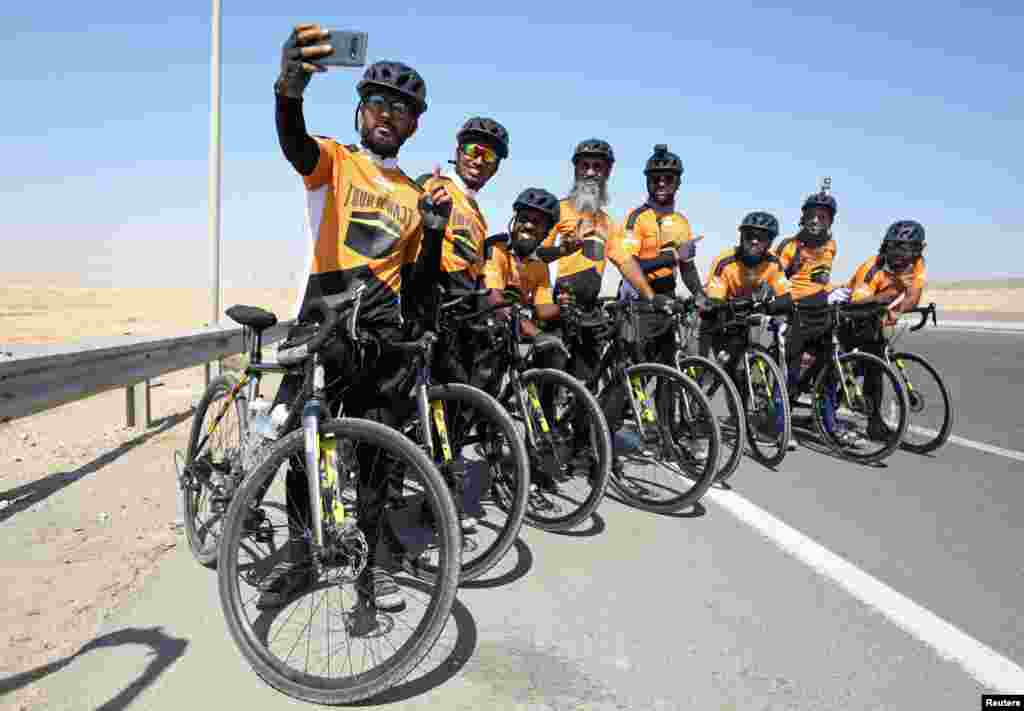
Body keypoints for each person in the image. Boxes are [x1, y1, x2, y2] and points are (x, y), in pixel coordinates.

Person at [264, 24, 453, 611]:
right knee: (303, 445)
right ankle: (299, 554)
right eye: (376, 103)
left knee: (378, 456)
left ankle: (374, 566)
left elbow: (421, 283)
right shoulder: (334, 162)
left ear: (414, 125)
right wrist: (289, 87)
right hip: (323, 316)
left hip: (381, 333)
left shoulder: (415, 196)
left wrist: (435, 234)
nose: (387, 115)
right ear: (359, 112)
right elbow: (293, 142)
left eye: (401, 109)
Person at [417, 117, 509, 395]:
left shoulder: (478, 216)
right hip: (433, 311)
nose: (479, 161)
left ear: (495, 168)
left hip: (463, 317)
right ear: (458, 152)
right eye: (473, 151)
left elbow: (477, 274)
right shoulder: (434, 185)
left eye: (489, 156)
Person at [702, 211, 794, 444]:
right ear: (742, 236)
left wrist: (766, 303)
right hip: (716, 320)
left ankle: (741, 421)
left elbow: (787, 299)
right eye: (750, 235)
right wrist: (740, 303)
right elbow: (715, 303)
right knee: (706, 372)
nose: (755, 240)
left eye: (761, 238)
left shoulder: (773, 263)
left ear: (769, 242)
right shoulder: (726, 261)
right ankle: (689, 414)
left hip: (743, 322)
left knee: (739, 374)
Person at [618, 144, 709, 367]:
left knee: (668, 374)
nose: (661, 183)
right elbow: (630, 264)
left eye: (667, 179)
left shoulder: (681, 222)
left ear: (677, 183)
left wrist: (699, 293)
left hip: (668, 299)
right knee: (634, 375)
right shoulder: (636, 218)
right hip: (639, 301)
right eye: (655, 178)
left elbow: (687, 267)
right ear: (647, 181)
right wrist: (673, 256)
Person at [843, 219, 928, 439]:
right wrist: (883, 299)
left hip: (875, 317)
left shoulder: (918, 264)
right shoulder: (872, 267)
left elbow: (912, 296)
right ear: (885, 246)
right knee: (845, 364)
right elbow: (856, 302)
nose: (899, 253)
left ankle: (874, 423)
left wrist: (896, 310)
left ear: (917, 250)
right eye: (893, 246)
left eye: (906, 248)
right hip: (850, 312)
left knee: (875, 367)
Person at [772, 181, 843, 416]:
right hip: (794, 312)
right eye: (812, 216)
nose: (816, 220)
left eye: (822, 217)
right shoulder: (791, 246)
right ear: (803, 218)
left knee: (830, 365)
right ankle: (781, 422)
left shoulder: (831, 245)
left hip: (820, 311)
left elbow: (819, 279)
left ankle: (828, 422)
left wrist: (837, 293)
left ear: (830, 222)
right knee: (789, 371)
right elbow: (772, 276)